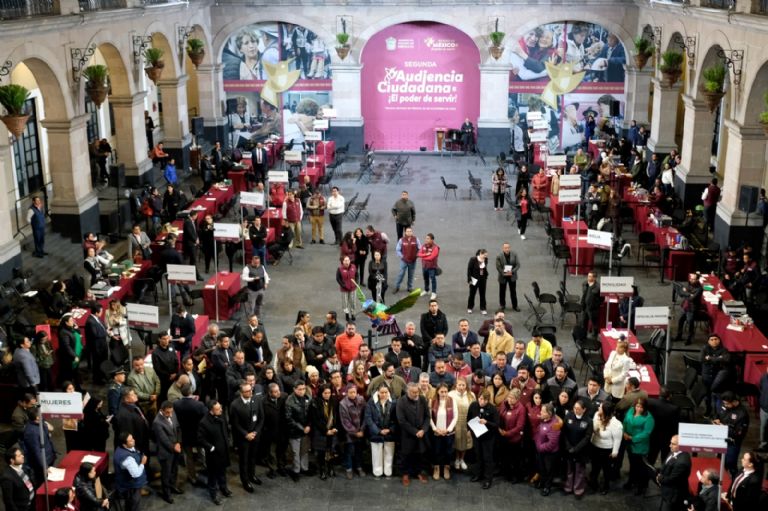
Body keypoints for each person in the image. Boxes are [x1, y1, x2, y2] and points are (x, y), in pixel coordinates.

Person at [229, 382, 264, 492]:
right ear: (241, 392)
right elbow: (235, 424)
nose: (250, 393)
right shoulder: (235, 405)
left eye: (251, 390)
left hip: (255, 435)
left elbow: (261, 418)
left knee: (253, 457)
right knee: (244, 460)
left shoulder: (257, 400)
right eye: (247, 391)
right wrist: (246, 434)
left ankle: (252, 475)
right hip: (243, 438)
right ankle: (245, 481)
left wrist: (255, 432)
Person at [197, 401, 231, 504]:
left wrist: (228, 440)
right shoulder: (204, 422)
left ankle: (223, 488)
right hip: (213, 454)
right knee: (213, 476)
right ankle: (213, 494)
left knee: (223, 472)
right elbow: (200, 439)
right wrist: (211, 447)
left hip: (224, 451)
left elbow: (225, 429)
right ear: (211, 411)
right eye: (218, 409)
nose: (221, 410)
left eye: (220, 407)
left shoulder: (221, 416)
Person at [397, 382, 430, 485]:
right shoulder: (401, 401)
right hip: (407, 434)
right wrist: (415, 432)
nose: (416, 394)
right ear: (407, 391)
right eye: (413, 392)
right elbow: (401, 421)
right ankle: (405, 474)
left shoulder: (422, 399)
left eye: (417, 392)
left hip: (421, 433)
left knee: (419, 454)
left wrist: (423, 430)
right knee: (406, 455)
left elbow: (427, 417)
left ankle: (418, 472)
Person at [467, 390, 499, 489]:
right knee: (478, 455)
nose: (481, 401)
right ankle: (478, 474)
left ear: (488, 400)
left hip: (488, 437)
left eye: (484, 400)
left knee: (487, 458)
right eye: (480, 398)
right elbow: (468, 418)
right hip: (476, 435)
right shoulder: (473, 405)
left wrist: (487, 422)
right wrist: (469, 429)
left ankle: (488, 479)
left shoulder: (492, 409)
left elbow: (496, 424)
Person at [622, 397, 655, 495]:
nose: (638, 409)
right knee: (632, 464)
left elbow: (646, 433)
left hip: (639, 445)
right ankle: (631, 481)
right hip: (629, 443)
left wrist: (632, 438)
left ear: (645, 408)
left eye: (641, 407)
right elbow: (625, 421)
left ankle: (641, 487)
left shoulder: (649, 418)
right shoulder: (631, 410)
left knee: (640, 467)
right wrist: (624, 432)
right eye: (637, 406)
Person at [714, 391, 750, 478]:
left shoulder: (742, 414)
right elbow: (717, 415)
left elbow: (738, 433)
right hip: (720, 439)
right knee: (719, 463)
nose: (725, 405)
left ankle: (734, 481)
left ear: (734, 401)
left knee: (730, 464)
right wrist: (715, 421)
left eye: (727, 404)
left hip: (732, 443)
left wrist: (723, 427)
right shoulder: (724, 406)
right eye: (724, 403)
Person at [152, 401, 182, 503]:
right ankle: (166, 494)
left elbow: (178, 428)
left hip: (175, 449)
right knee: (166, 474)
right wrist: (174, 447)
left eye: (171, 412)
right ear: (161, 410)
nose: (170, 415)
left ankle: (173, 486)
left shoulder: (173, 413)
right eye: (167, 413)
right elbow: (163, 439)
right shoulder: (157, 422)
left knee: (174, 470)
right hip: (166, 452)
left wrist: (178, 442)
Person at [590, 401, 623, 495]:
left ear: (605, 410)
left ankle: (605, 486)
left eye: (600, 407)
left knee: (606, 470)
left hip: (606, 450)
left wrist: (615, 452)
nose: (598, 409)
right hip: (595, 446)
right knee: (595, 467)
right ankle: (594, 484)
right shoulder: (597, 415)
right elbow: (593, 429)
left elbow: (617, 439)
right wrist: (596, 427)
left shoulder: (616, 424)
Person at [308, 383, 339, 479]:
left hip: (332, 429)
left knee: (332, 450)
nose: (327, 395)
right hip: (320, 431)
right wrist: (325, 431)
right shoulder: (315, 402)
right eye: (325, 393)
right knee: (321, 452)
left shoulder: (333, 400)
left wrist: (335, 427)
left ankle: (331, 468)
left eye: (329, 393)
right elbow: (315, 419)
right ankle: (322, 470)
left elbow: (336, 415)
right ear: (321, 393)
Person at [366, 383, 397, 478]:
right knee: (376, 453)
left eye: (386, 392)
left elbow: (397, 419)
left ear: (389, 392)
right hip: (376, 433)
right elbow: (368, 418)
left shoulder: (394, 402)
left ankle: (388, 470)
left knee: (389, 452)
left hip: (389, 432)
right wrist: (378, 431)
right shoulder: (371, 402)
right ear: (378, 392)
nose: (384, 394)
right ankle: (377, 471)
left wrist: (390, 429)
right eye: (382, 392)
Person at [656, 434, 693, 511]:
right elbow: (665, 465)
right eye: (670, 443)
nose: (670, 445)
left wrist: (659, 478)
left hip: (674, 494)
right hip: (667, 484)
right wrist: (660, 474)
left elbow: (671, 479)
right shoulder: (674, 451)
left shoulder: (682, 462)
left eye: (673, 444)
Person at [285, 380, 312, 481]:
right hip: (294, 430)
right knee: (295, 452)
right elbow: (289, 418)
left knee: (305, 451)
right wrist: (302, 428)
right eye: (299, 389)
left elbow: (311, 413)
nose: (302, 391)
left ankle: (304, 468)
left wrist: (309, 425)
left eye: (304, 389)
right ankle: (296, 471)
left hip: (306, 429)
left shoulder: (308, 397)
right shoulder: (289, 400)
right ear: (294, 389)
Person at [497, 387, 525, 481]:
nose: (509, 399)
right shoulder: (504, 404)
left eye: (512, 398)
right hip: (502, 435)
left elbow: (519, 426)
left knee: (514, 458)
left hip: (514, 438)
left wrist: (506, 433)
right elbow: (499, 414)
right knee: (504, 456)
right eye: (509, 397)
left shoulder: (521, 409)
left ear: (517, 399)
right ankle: (505, 472)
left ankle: (516, 476)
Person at [114, 432, 147, 511]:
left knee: (130, 504)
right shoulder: (127, 459)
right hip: (131, 486)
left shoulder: (122, 448)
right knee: (134, 505)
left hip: (128, 485)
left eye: (132, 438)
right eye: (131, 440)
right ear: (124, 444)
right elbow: (136, 474)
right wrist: (142, 463)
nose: (134, 441)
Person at [339, 385, 367, 479]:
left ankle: (359, 467)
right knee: (349, 451)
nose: (353, 394)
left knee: (359, 450)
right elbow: (345, 421)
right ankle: (349, 469)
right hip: (349, 433)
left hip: (361, 431)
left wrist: (362, 429)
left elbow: (365, 415)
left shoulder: (361, 400)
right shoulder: (343, 404)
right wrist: (355, 432)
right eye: (350, 392)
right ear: (347, 393)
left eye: (354, 392)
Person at [393, 226, 421, 293]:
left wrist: (417, 255)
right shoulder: (401, 240)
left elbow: (420, 248)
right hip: (404, 261)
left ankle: (409, 287)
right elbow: (397, 250)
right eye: (407, 231)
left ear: (412, 232)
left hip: (413, 261)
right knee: (401, 274)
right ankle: (397, 287)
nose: (409, 232)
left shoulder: (416, 239)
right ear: (405, 232)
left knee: (411, 274)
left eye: (410, 231)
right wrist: (402, 256)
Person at [496, 242, 520, 311]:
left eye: (508, 248)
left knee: (513, 291)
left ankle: (515, 306)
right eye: (505, 248)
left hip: (512, 276)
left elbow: (518, 265)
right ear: (503, 248)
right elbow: (498, 267)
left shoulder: (514, 254)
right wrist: (503, 273)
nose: (507, 249)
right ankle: (502, 305)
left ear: (510, 248)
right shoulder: (499, 256)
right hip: (503, 276)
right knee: (502, 292)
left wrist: (512, 271)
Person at [417, 232, 440, 300]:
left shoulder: (435, 248)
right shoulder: (424, 246)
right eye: (426, 238)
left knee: (433, 279)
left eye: (428, 239)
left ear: (432, 240)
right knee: (425, 278)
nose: (426, 240)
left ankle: (434, 293)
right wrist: (426, 254)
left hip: (432, 267)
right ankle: (426, 290)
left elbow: (431, 257)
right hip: (424, 266)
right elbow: (418, 254)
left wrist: (423, 257)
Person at [467, 248, 489, 314]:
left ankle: (483, 308)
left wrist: (485, 276)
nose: (486, 257)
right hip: (474, 279)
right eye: (484, 255)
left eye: (486, 255)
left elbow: (484, 269)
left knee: (482, 294)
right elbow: (469, 270)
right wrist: (469, 279)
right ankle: (470, 307)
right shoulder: (473, 259)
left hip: (483, 279)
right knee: (472, 294)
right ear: (480, 254)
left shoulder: (486, 260)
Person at [336, 256, 357, 322]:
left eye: (348, 260)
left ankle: (353, 314)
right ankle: (347, 314)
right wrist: (343, 285)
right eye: (345, 260)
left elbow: (357, 275)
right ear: (343, 261)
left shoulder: (353, 267)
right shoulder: (340, 269)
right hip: (344, 289)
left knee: (353, 302)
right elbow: (338, 278)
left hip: (353, 288)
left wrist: (356, 283)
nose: (347, 262)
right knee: (345, 303)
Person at [581, 272, 602, 336]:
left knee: (594, 324)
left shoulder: (598, 287)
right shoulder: (585, 283)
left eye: (590, 276)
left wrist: (595, 305)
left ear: (594, 278)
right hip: (585, 307)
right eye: (588, 276)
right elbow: (584, 294)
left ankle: (594, 337)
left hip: (593, 309)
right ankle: (583, 335)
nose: (588, 278)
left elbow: (601, 299)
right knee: (584, 322)